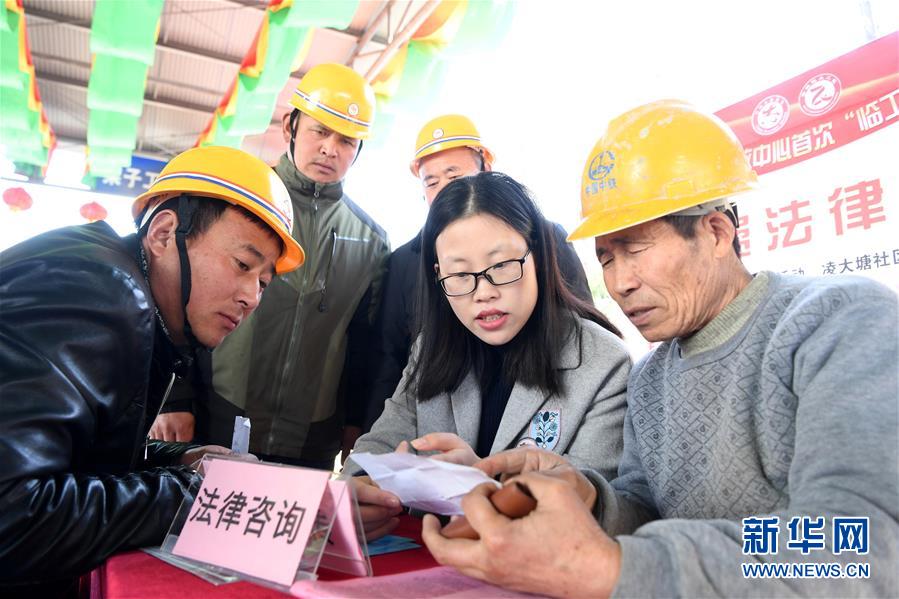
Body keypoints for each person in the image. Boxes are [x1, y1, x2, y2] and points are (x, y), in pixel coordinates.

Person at [420, 100, 899, 597]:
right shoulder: (651, 377)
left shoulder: (837, 322)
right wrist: (589, 497)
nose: (620, 282)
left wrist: (618, 568)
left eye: (636, 249)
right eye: (606, 257)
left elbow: (859, 550)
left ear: (715, 231)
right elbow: (648, 509)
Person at [0, 146, 304, 590]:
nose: (251, 297)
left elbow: (78, 455)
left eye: (262, 281)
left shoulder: (120, 283)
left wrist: (179, 460)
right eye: (242, 264)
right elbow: (14, 515)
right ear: (163, 234)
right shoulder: (101, 293)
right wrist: (197, 495)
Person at [343, 171, 631, 542]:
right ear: (438, 276)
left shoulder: (603, 365)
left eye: (500, 267)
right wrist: (359, 490)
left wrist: (479, 479)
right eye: (460, 275)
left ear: (538, 257)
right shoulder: (429, 349)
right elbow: (378, 445)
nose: (483, 292)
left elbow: (592, 504)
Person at [152, 63, 391, 469]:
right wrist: (173, 397)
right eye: (319, 131)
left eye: (346, 140)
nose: (330, 148)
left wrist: (357, 425)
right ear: (290, 127)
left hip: (313, 436)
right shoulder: (240, 201)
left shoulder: (372, 240)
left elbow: (365, 346)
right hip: (216, 414)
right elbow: (175, 295)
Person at [365, 114, 593, 429]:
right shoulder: (405, 261)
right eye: (431, 182)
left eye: (454, 176)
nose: (482, 291)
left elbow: (579, 330)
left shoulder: (546, 237)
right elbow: (388, 355)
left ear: (485, 170)